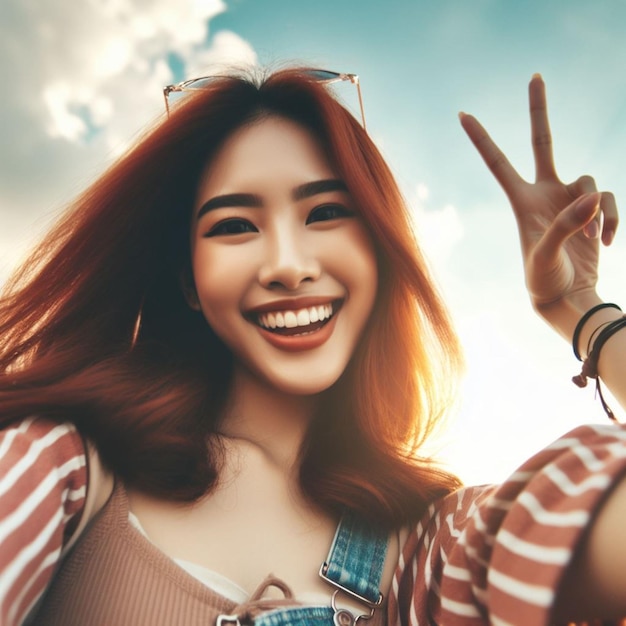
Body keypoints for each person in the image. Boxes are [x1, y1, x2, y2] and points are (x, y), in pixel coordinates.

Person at [0, 67, 624, 626]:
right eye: (235, 226)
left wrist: (583, 311)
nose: (288, 265)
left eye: (325, 213)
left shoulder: (426, 551)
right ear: (188, 281)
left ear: (377, 250)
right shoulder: (66, 465)